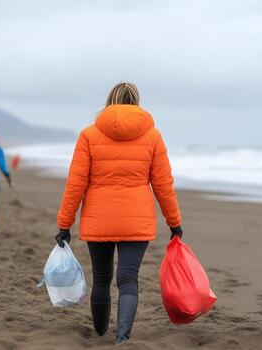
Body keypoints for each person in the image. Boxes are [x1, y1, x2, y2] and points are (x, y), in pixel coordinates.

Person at [55, 82, 182, 344]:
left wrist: (64, 224)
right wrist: (174, 222)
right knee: (128, 279)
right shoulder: (152, 136)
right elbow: (163, 184)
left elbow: (75, 184)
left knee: (101, 278)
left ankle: (100, 332)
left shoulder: (89, 135)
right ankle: (122, 338)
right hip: (136, 220)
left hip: (99, 219)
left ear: (110, 101)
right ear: (136, 102)